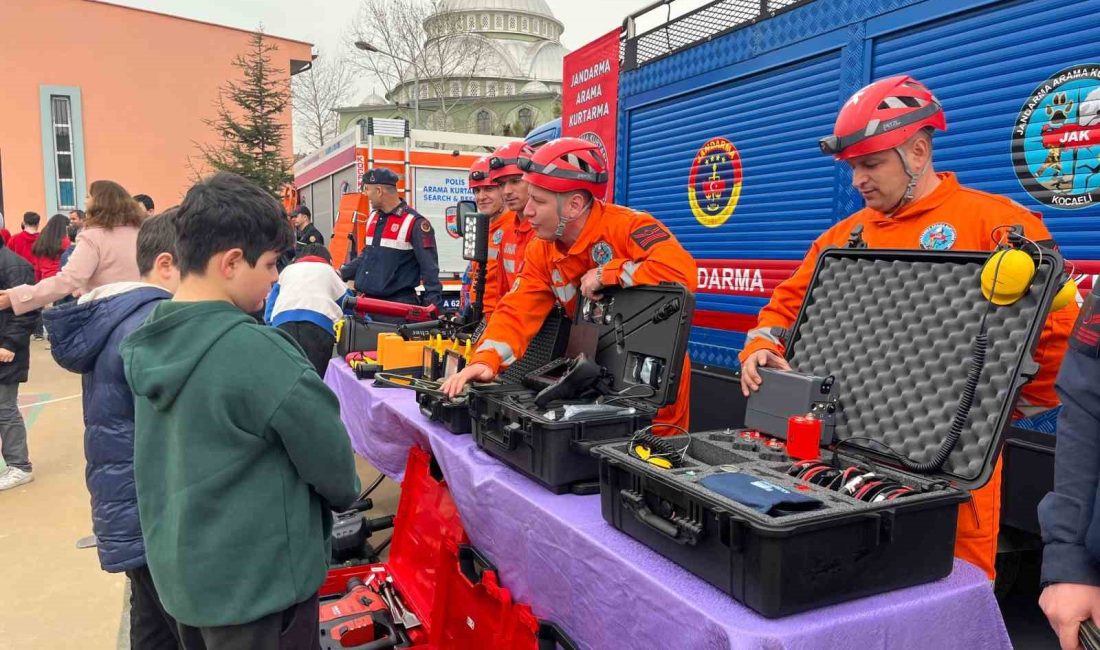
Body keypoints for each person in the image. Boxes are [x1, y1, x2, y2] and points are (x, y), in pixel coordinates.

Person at [737, 75, 1077, 580]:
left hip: (948, 480)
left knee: (944, 602)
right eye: (853, 166)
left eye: (870, 164)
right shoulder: (843, 237)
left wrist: (989, 414)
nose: (858, 180)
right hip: (838, 460)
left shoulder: (996, 226)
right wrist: (762, 343)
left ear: (918, 151)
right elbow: (787, 304)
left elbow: (1058, 337)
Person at [119, 172, 359, 648]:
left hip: (186, 583)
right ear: (231, 262)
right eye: (270, 265)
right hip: (261, 590)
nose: (275, 279)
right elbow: (334, 467)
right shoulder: (257, 352)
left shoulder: (146, 342)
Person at [442, 138, 697, 429]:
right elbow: (516, 309)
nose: (527, 212)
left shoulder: (628, 227)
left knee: (655, 453)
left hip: (651, 374)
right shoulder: (542, 249)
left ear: (574, 205)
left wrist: (607, 274)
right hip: (591, 369)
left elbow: (682, 272)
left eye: (538, 201)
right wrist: (485, 361)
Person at [44, 211, 181, 648]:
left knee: (150, 621)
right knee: (174, 624)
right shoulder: (154, 323)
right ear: (165, 265)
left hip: (129, 505)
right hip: (155, 510)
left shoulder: (120, 317)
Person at [0, 180, 142, 315]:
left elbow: (68, 280)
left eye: (88, 196)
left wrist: (18, 297)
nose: (85, 201)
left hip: (108, 315)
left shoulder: (93, 236)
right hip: (141, 309)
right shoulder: (141, 232)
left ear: (100, 202)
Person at [339, 169, 443, 317]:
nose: (365, 194)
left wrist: (433, 310)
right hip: (366, 304)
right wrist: (341, 272)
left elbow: (430, 271)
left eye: (367, 189)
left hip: (395, 310)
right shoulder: (373, 218)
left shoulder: (414, 223)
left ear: (379, 191)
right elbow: (367, 256)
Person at [264, 244, 349, 379]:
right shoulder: (329, 271)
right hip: (319, 326)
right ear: (329, 261)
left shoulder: (287, 271)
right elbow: (349, 303)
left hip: (282, 324)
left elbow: (270, 305)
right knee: (314, 378)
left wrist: (271, 325)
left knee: (285, 377)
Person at [0, 233, 40, 491]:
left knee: (4, 408)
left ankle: (19, 466)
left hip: (6, 350)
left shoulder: (15, 266)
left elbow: (28, 310)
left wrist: (9, 344)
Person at [484, 141, 539, 321]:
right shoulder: (507, 233)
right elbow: (501, 293)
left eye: (515, 181)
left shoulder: (547, 233)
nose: (507, 191)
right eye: (501, 184)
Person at [461, 155, 507, 320]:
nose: (481, 197)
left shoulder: (515, 228)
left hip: (501, 320)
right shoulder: (483, 228)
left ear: (504, 189)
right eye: (477, 190)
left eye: (488, 189)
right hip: (479, 317)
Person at [30, 214, 71, 283]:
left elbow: (37, 268)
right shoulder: (65, 242)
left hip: (44, 279)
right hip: (60, 279)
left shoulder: (40, 241)